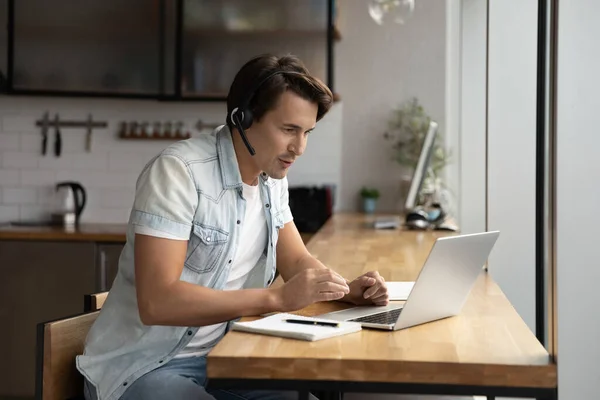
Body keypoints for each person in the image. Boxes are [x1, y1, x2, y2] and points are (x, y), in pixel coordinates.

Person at [76, 54, 389, 400]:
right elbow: (157, 301)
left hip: (225, 361)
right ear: (243, 118)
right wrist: (276, 297)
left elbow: (297, 262)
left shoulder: (272, 178)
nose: (299, 148)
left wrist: (345, 291)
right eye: (289, 130)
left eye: (307, 133)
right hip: (144, 367)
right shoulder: (178, 172)